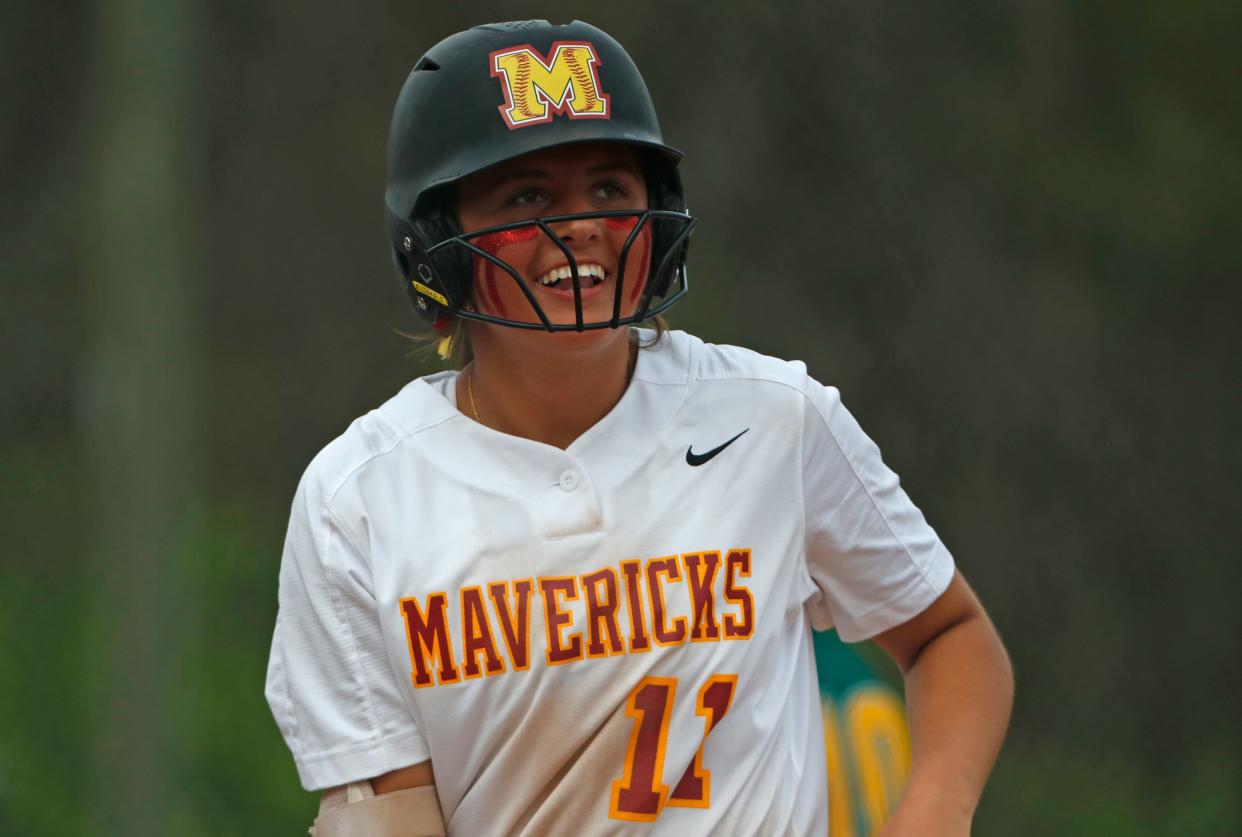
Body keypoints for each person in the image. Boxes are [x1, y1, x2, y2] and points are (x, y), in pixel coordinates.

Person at [265, 19, 1014, 837]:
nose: (581, 223)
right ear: (437, 246)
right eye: (528, 196)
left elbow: (948, 633)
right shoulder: (360, 501)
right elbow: (388, 816)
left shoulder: (771, 418)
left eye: (611, 190)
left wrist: (933, 813)